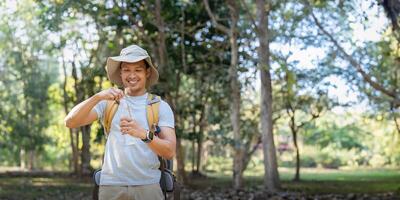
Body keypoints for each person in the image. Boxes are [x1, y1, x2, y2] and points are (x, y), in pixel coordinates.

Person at [64, 45, 176, 200]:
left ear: (147, 72)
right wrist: (97, 97)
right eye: (126, 70)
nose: (132, 75)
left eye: (138, 70)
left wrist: (144, 134)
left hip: (148, 186)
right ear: (120, 73)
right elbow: (70, 122)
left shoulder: (159, 106)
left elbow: (169, 151)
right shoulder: (108, 103)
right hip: (111, 186)